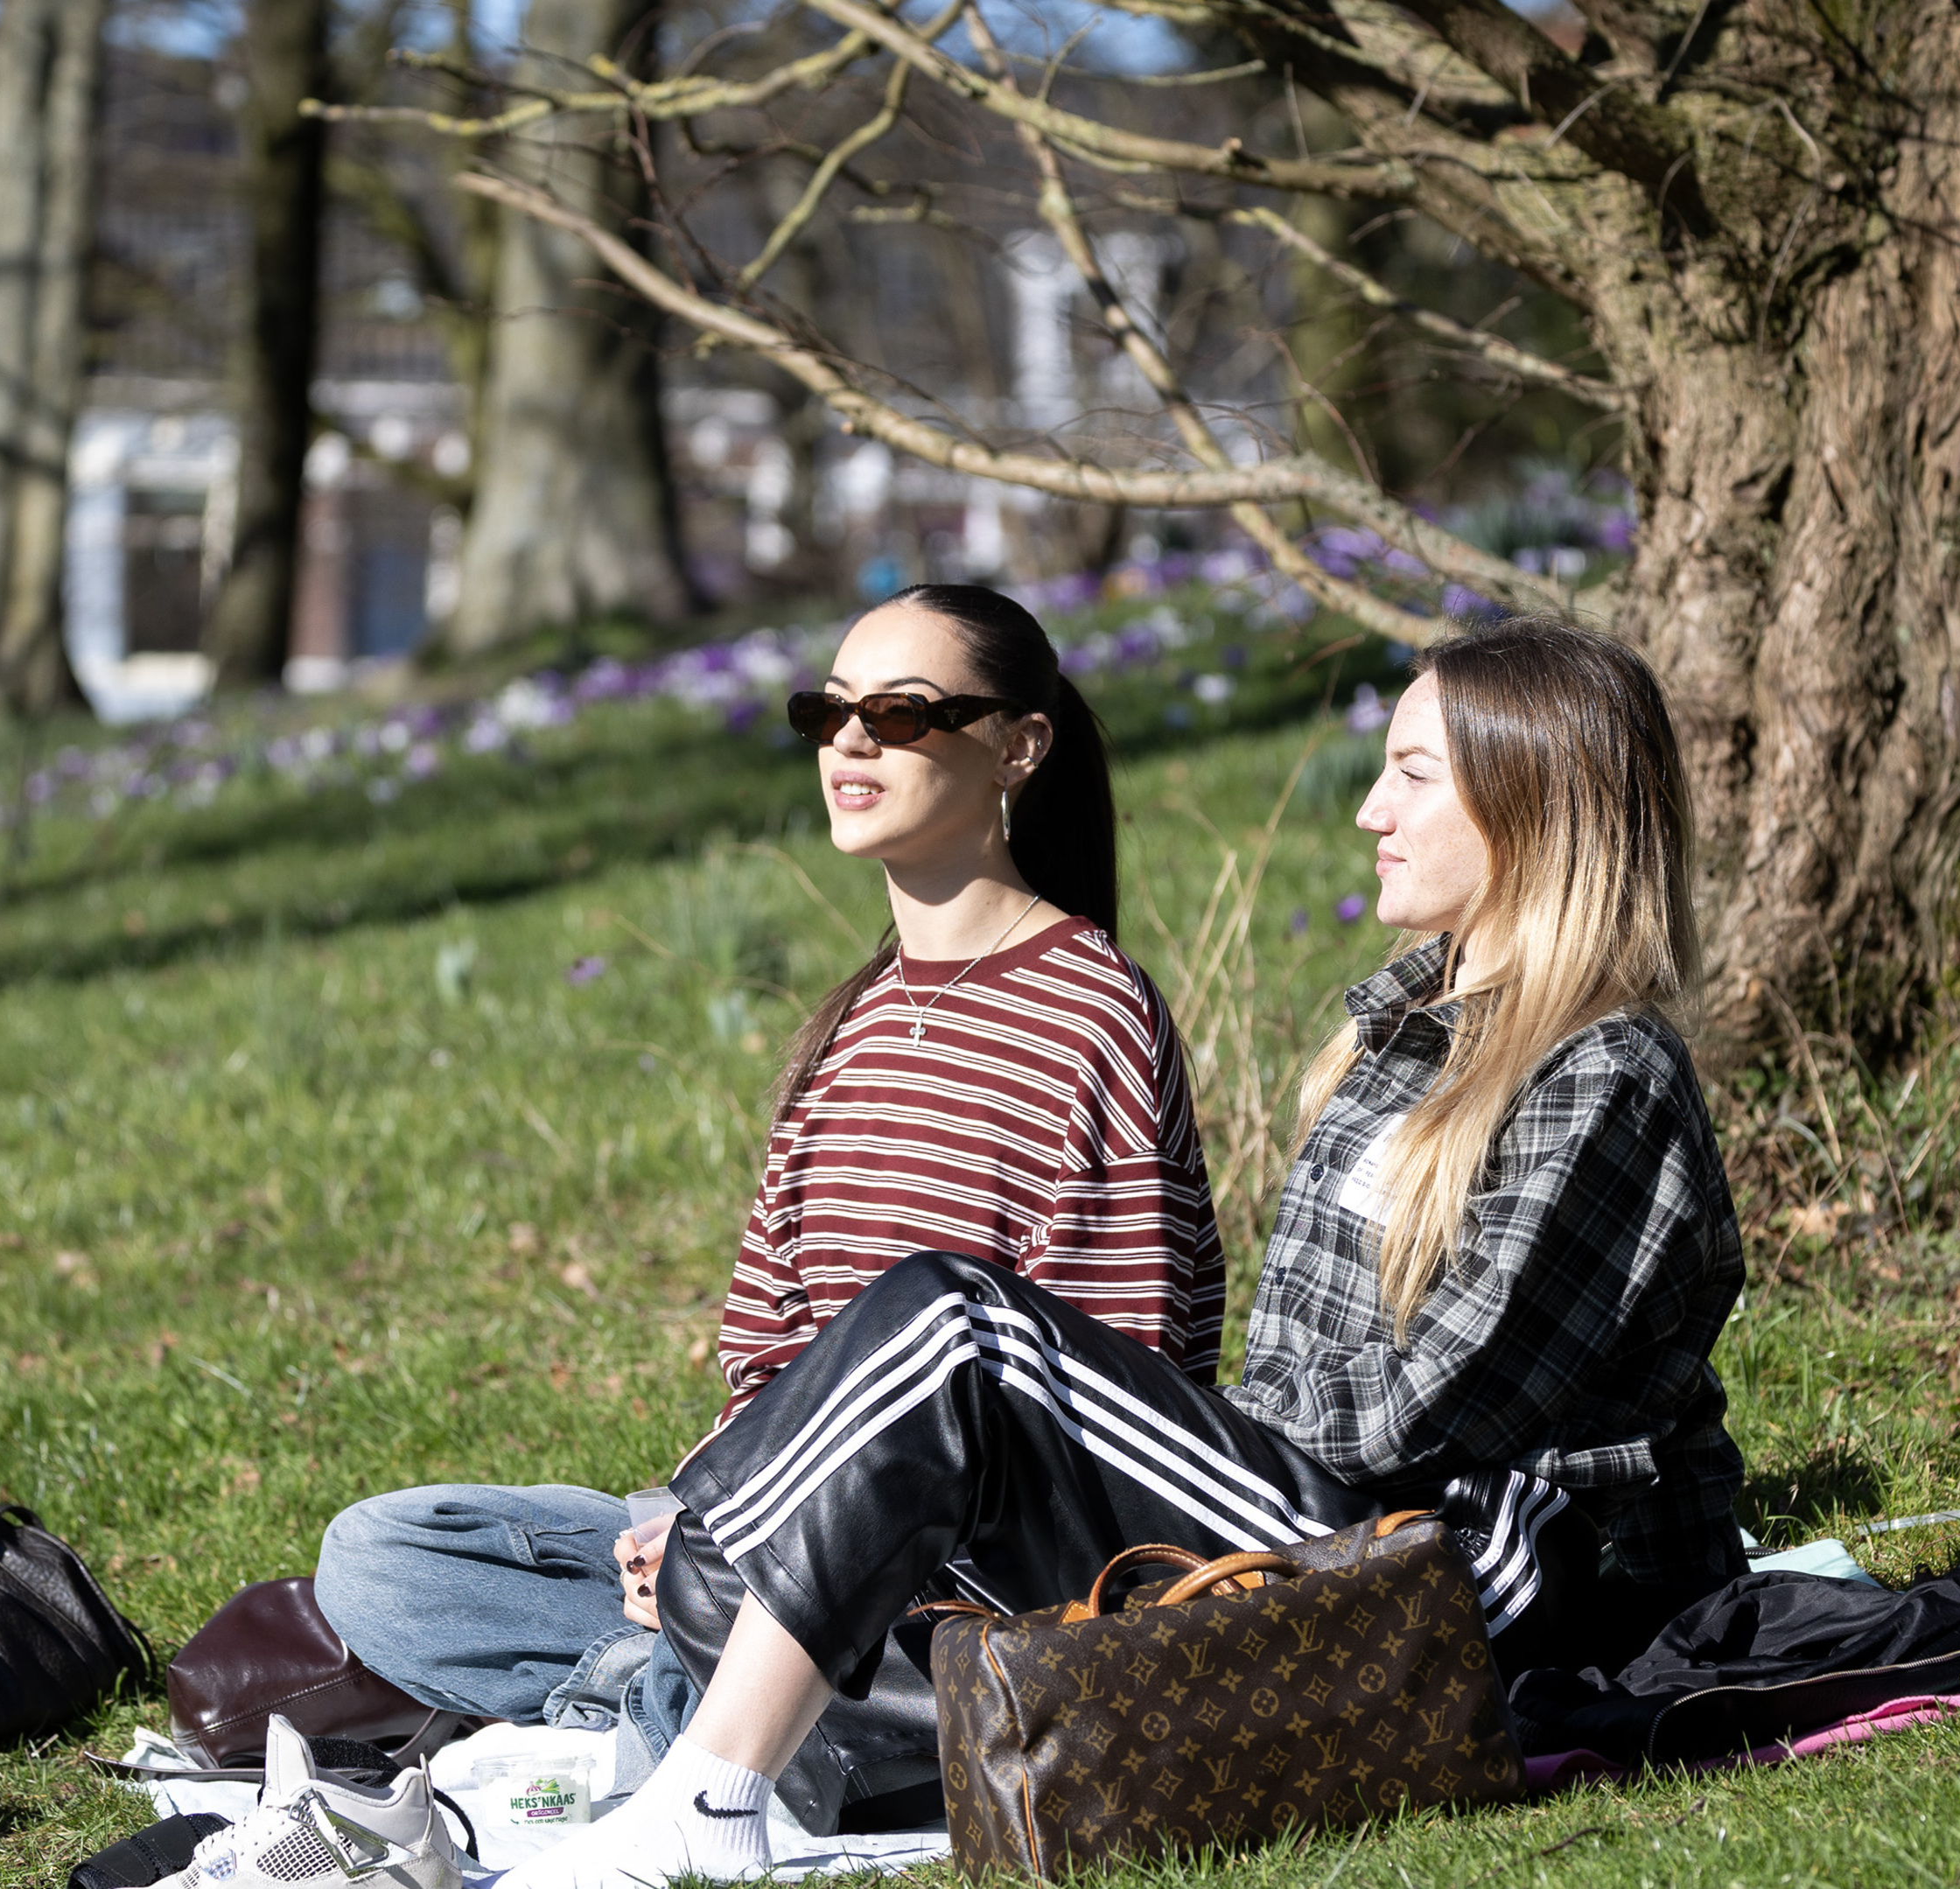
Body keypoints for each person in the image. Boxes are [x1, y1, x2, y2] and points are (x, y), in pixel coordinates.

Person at [497, 618, 1752, 1889]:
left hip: (1471, 1585)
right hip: (1335, 1525)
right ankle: (734, 1689)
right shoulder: (1407, 1038)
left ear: (1536, 800)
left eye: (1414, 774)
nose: (1372, 808)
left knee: (952, 1325)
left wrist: (1188, 1424)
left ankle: (705, 1789)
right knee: (673, 1559)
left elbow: (1418, 1410)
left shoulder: (1605, 1075)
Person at [310, 585, 1228, 1826]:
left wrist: (764, 1562)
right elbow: (768, 1345)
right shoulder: (846, 1027)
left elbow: (1106, 1392)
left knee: (721, 1629)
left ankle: (666, 1719)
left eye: (901, 714)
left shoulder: (1089, 1012)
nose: (849, 744)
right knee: (384, 1557)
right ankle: (663, 1699)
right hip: (758, 1532)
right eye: (828, 711)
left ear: (1020, 743)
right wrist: (699, 1519)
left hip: (968, 1579)